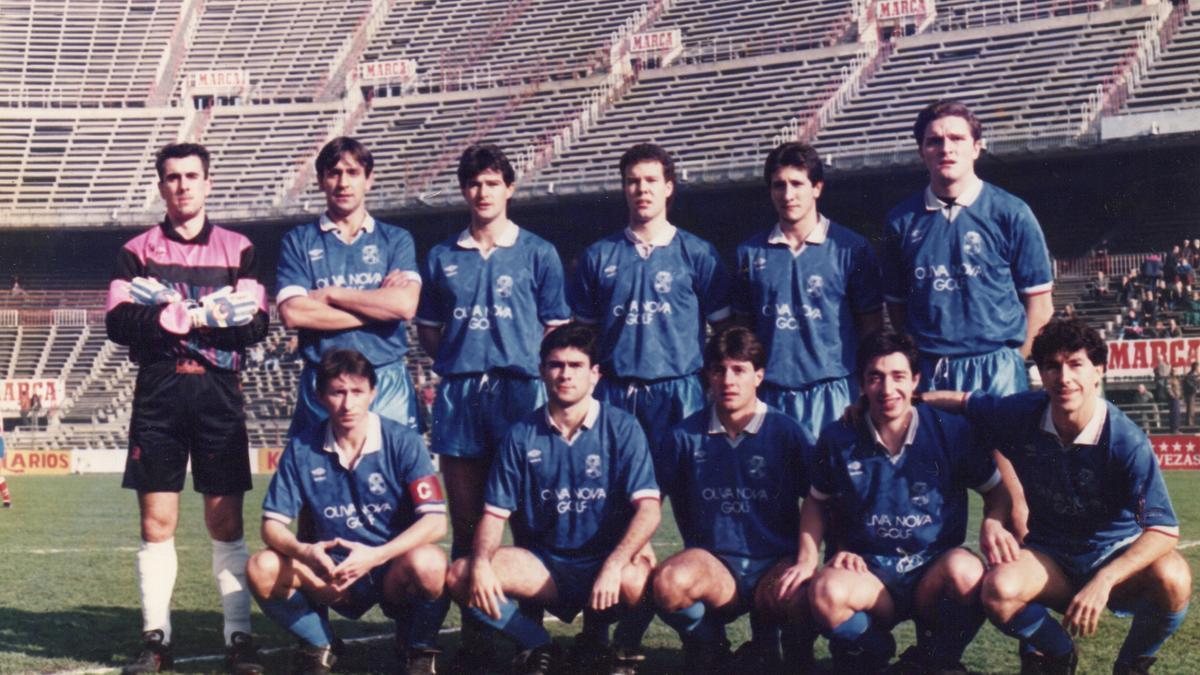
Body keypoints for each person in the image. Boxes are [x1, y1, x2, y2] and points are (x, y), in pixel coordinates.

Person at [922, 319, 1191, 674]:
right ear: (1042, 373)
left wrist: (1104, 579)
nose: (1064, 377)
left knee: (1174, 576)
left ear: (1098, 372)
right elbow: (963, 402)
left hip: (1114, 555)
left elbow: (1163, 530)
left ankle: (1131, 665)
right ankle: (1060, 654)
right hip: (1051, 556)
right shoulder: (1021, 413)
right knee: (998, 589)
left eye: (1076, 364)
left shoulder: (1126, 441)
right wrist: (896, 400)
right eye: (1053, 366)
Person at [105, 142, 268, 673]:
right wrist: (167, 321)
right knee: (157, 522)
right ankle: (157, 642)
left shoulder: (238, 247)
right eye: (172, 177)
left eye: (192, 176)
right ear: (161, 186)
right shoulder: (137, 249)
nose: (182, 185)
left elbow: (256, 323)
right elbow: (118, 322)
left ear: (208, 182)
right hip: (159, 392)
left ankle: (238, 639)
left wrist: (190, 316)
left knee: (225, 522)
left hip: (218, 393)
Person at [570, 142, 730, 651]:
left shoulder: (697, 254)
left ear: (669, 187)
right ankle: (603, 626)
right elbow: (585, 338)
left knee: (693, 512)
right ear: (625, 188)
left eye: (650, 180)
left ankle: (703, 630)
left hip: (680, 394)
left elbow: (725, 334)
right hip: (618, 395)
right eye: (632, 180)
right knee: (614, 513)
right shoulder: (599, 256)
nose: (641, 189)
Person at [781, 331, 1015, 673]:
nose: (887, 389)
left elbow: (997, 491)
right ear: (862, 384)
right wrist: (807, 559)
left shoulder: (949, 430)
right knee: (825, 592)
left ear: (916, 380)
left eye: (898, 376)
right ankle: (877, 651)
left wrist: (993, 522)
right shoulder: (838, 437)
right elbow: (816, 501)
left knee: (968, 572)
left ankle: (935, 658)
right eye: (875, 377)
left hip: (932, 571)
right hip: (869, 571)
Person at [446, 324, 661, 674]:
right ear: (542, 370)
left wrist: (614, 564)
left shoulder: (622, 428)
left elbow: (649, 509)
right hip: (544, 566)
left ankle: (613, 646)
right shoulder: (520, 435)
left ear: (594, 374)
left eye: (575, 366)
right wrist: (483, 562)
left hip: (602, 563)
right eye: (556, 365)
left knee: (645, 578)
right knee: (461, 574)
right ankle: (536, 642)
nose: (565, 374)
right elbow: (494, 515)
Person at [247, 349, 450, 675]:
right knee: (262, 566)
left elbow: (436, 522)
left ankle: (418, 648)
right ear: (320, 396)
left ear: (373, 392)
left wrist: (376, 556)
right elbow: (271, 525)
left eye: (357, 392)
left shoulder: (404, 442)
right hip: (332, 572)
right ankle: (321, 642)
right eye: (337, 392)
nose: (348, 403)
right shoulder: (301, 447)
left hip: (390, 570)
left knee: (431, 563)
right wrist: (305, 552)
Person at [415, 144, 571, 561]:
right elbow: (428, 329)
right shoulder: (441, 256)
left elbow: (556, 328)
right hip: (461, 394)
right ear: (464, 191)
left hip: (520, 391)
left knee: (527, 514)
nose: (483, 192)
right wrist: (458, 358)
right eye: (474, 184)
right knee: (466, 519)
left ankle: (529, 617)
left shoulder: (538, 252)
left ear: (509, 189)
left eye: (492, 183)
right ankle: (475, 622)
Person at [653, 327, 818, 671]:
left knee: (807, 596)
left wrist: (808, 558)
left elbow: (821, 498)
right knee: (668, 583)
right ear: (708, 375)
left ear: (759, 376)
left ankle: (786, 653)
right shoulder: (683, 435)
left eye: (740, 370)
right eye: (719, 369)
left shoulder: (786, 431)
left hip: (775, 565)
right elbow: (651, 498)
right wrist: (639, 545)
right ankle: (709, 644)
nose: (728, 380)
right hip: (715, 567)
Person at [881, 99, 1054, 395]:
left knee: (998, 444)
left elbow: (1040, 305)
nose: (946, 148)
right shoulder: (901, 221)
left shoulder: (1011, 212)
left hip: (996, 368)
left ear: (976, 147)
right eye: (934, 141)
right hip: (930, 368)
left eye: (957, 138)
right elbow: (897, 307)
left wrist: (1014, 358)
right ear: (922, 152)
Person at [732, 142, 882, 439]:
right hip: (771, 395)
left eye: (797, 184)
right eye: (779, 185)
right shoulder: (748, 254)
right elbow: (743, 332)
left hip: (835, 391)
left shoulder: (851, 249)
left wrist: (865, 392)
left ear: (817, 187)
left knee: (836, 483)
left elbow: (871, 329)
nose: (788, 195)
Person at [276, 137, 422, 438]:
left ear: (369, 180)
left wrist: (333, 295)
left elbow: (405, 305)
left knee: (392, 478)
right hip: (323, 381)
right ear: (321, 181)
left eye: (353, 172)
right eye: (334, 173)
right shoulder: (299, 240)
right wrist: (378, 309)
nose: (343, 182)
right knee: (321, 480)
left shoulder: (396, 239)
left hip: (385, 378)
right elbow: (294, 313)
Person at [1184, 361, 1199, 427]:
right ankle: (1189, 422)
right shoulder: (1190, 375)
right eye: (1197, 366)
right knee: (1190, 408)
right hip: (1189, 393)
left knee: (1192, 408)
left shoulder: (1195, 374)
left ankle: (1192, 421)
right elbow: (1189, 383)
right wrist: (1195, 387)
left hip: (1193, 393)